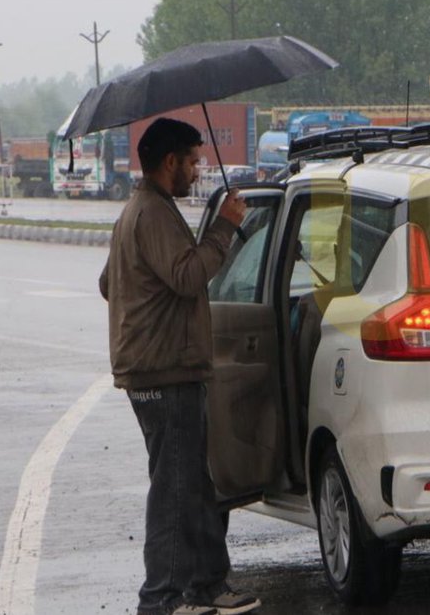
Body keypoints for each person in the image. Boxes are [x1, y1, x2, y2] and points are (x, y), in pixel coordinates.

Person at [99, 118, 259, 615]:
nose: (197, 169)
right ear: (169, 162)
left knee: (194, 483)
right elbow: (188, 277)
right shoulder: (152, 212)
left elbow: (109, 282)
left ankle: (207, 584)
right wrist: (224, 226)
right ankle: (161, 599)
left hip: (169, 369)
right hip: (163, 373)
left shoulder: (142, 210)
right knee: (173, 489)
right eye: (192, 161)